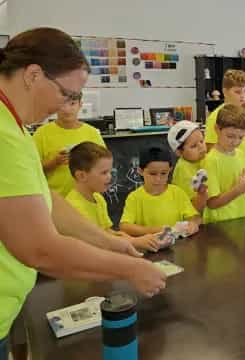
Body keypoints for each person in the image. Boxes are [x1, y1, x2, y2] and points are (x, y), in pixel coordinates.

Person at [0, 28, 165, 359]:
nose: (66, 104)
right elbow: (40, 250)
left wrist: (112, 243)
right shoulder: (4, 134)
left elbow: (45, 201)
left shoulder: (14, 126)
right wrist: (127, 269)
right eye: (66, 93)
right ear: (33, 75)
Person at [66, 142, 161, 252]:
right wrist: (134, 242)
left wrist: (134, 239)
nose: (110, 177)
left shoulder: (98, 198)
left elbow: (107, 231)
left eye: (110, 171)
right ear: (81, 176)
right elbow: (97, 240)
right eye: (104, 173)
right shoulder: (74, 207)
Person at [33, 91, 106, 197]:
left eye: (72, 103)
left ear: (80, 105)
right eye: (62, 104)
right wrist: (54, 162)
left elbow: (103, 167)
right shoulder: (41, 134)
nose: (67, 109)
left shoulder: (92, 133)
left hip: (86, 199)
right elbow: (31, 170)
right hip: (54, 199)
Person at [119, 147, 201, 236]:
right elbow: (124, 226)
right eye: (153, 174)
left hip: (178, 245)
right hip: (149, 246)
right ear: (140, 171)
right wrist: (159, 230)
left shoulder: (177, 193)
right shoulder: (134, 197)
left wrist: (193, 224)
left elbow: (194, 216)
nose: (158, 179)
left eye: (163, 173)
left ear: (170, 170)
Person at [203, 104, 245, 223]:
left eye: (241, 137)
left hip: (240, 219)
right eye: (230, 136)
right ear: (217, 129)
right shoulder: (211, 160)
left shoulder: (240, 154)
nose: (235, 142)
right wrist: (239, 189)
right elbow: (211, 203)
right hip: (219, 225)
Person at [204, 69, 245, 150]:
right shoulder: (217, 116)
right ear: (225, 92)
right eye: (237, 92)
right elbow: (210, 148)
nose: (243, 96)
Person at [168, 120, 208, 212]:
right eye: (193, 146)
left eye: (202, 141)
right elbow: (192, 207)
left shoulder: (204, 158)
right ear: (179, 152)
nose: (201, 147)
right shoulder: (183, 169)